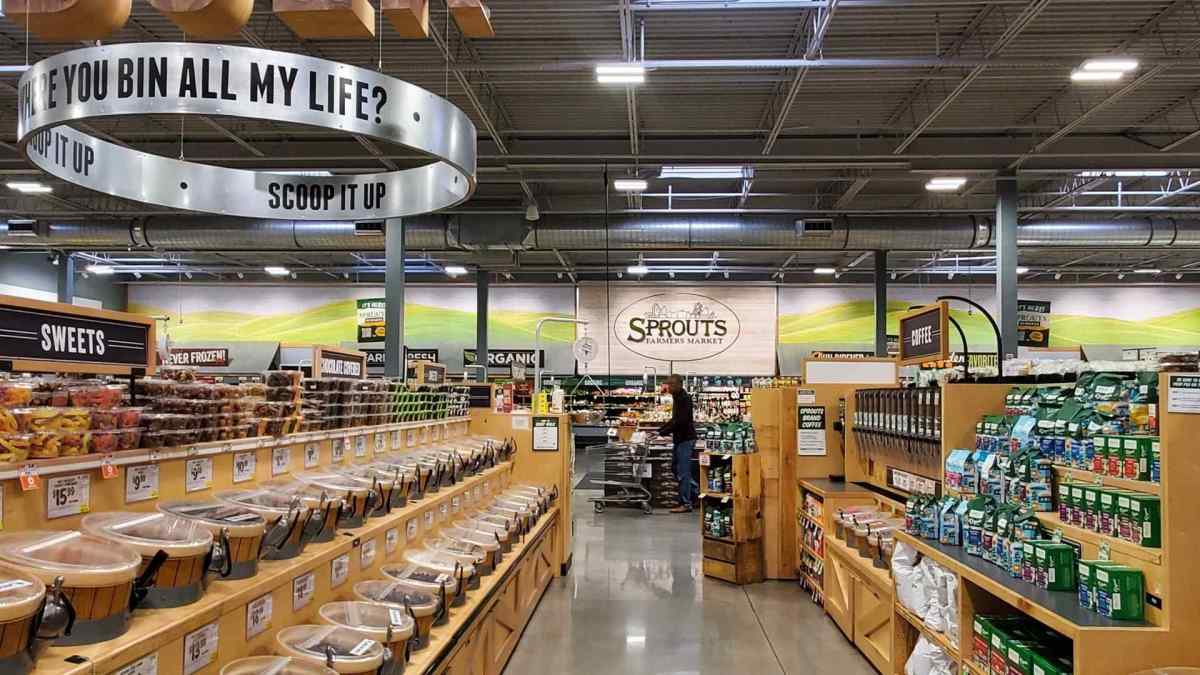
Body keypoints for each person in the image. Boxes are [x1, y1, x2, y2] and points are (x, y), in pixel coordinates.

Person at [657, 374, 698, 513]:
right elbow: (675, 420)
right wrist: (659, 431)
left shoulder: (684, 399)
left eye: (672, 384)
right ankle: (695, 492)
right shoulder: (677, 397)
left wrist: (662, 432)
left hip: (686, 439)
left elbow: (680, 421)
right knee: (675, 468)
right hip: (680, 439)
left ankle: (686, 503)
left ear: (680, 384)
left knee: (683, 472)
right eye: (669, 384)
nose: (669, 387)